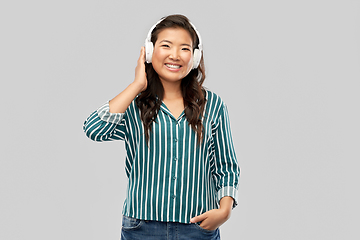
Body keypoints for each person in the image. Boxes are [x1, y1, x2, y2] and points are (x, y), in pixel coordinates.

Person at [83, 14, 240, 240]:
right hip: (141, 227)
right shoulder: (133, 105)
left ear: (195, 57)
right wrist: (136, 84)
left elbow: (227, 166)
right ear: (149, 51)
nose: (174, 55)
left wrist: (224, 210)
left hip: (197, 227)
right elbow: (93, 129)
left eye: (184, 48)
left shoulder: (213, 104)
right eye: (166, 46)